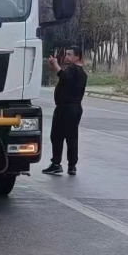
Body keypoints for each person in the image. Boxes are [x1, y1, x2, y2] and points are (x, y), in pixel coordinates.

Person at [42, 47, 86, 176]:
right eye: (66, 54)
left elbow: (65, 78)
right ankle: (72, 166)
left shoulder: (73, 69)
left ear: (77, 57)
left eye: (69, 54)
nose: (66, 57)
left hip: (65, 108)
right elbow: (67, 80)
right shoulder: (81, 72)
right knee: (72, 137)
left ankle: (56, 164)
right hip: (75, 108)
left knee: (57, 136)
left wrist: (56, 65)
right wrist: (56, 68)